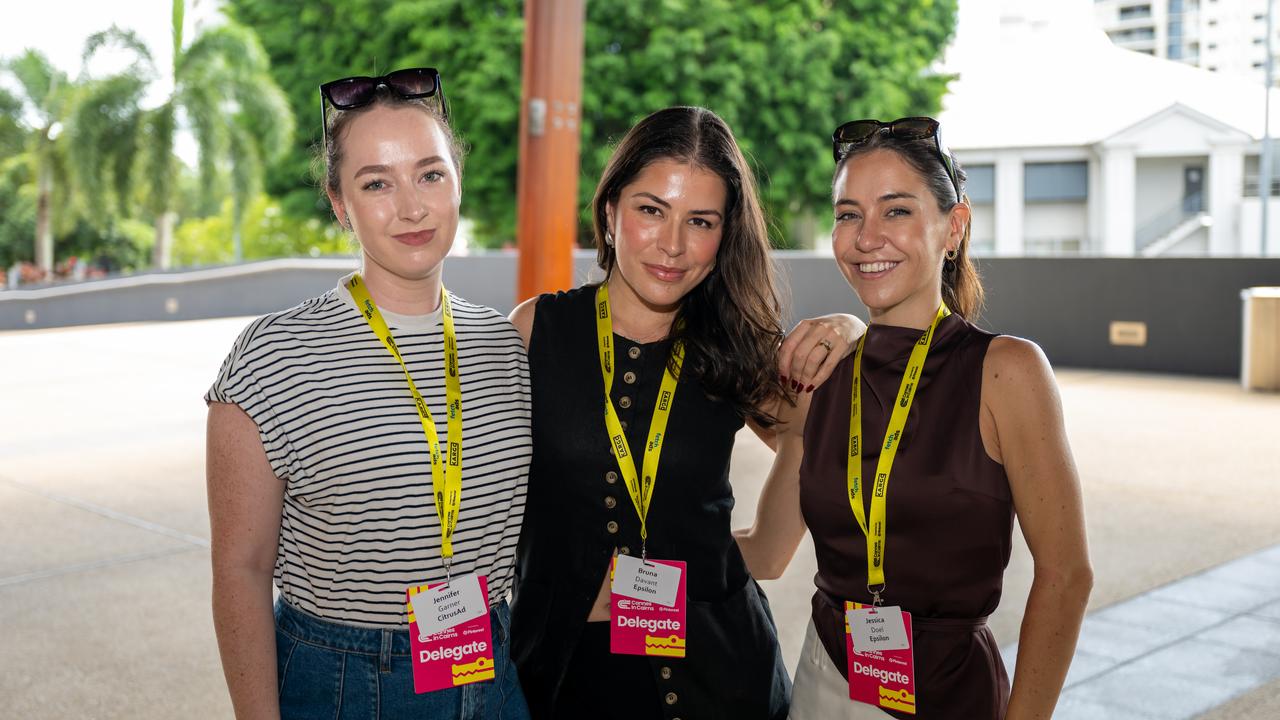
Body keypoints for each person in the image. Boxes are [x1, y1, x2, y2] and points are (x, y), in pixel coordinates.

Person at [507, 106, 863, 719]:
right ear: (611, 210)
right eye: (652, 210)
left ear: (724, 235)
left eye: (700, 221)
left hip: (717, 677)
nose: (672, 245)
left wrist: (855, 331)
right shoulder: (537, 330)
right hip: (565, 675)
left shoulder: (733, 344)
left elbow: (813, 441)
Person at [736, 117, 1092, 719]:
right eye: (848, 214)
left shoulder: (1007, 371)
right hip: (825, 681)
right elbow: (703, 363)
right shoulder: (818, 377)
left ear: (954, 227)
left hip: (952, 693)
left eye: (896, 211)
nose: (866, 237)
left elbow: (1066, 577)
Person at [206, 68, 531, 719]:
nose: (411, 206)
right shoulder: (273, 356)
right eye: (376, 183)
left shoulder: (504, 345)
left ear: (457, 182)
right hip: (345, 681)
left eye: (430, 174)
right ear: (338, 203)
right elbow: (240, 570)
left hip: (489, 663)